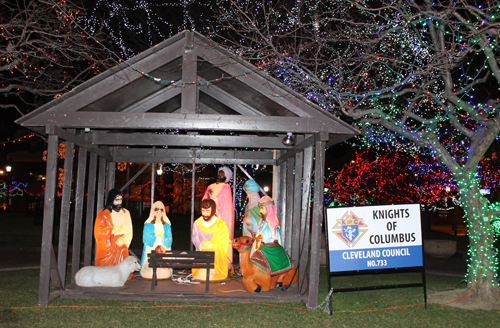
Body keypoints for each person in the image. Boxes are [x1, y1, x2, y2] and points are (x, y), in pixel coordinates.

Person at [202, 166, 234, 265]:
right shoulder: (211, 187)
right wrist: (209, 202)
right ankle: (208, 262)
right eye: (219, 173)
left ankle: (222, 264)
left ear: (226, 176)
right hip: (209, 216)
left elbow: (227, 205)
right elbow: (205, 198)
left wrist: (216, 202)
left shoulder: (226, 187)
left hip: (219, 217)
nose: (219, 175)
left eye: (222, 173)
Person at [191, 199, 229, 281]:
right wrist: (201, 245)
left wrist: (212, 245)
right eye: (203, 211)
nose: (205, 214)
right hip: (201, 256)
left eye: (207, 211)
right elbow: (195, 238)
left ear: (213, 210)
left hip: (215, 257)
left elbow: (224, 241)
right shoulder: (197, 223)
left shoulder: (220, 224)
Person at [94, 189, 133, 267]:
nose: (119, 202)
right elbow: (98, 232)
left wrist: (124, 240)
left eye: (120, 199)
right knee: (106, 270)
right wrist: (112, 230)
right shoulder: (103, 213)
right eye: (116, 200)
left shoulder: (126, 213)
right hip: (108, 246)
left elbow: (129, 231)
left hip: (121, 245)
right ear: (111, 200)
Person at [140, 201, 173, 279]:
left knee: (164, 259)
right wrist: (154, 236)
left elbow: (169, 238)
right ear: (153, 212)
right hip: (152, 247)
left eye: (160, 212)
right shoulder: (148, 224)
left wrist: (163, 238)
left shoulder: (167, 225)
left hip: (163, 247)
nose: (158, 214)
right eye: (157, 212)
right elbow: (145, 238)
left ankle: (164, 271)